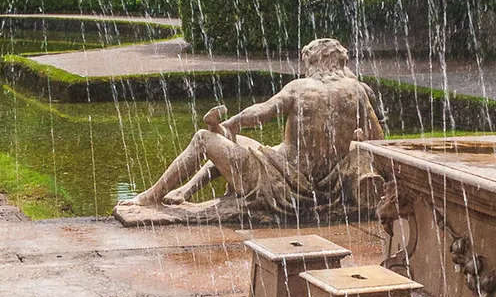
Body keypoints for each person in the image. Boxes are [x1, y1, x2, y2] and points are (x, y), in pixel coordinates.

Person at [118, 38, 384, 223]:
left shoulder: (299, 87)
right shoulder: (357, 92)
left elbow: (261, 112)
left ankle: (150, 197)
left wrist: (232, 123)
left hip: (280, 187)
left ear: (313, 62)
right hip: (322, 185)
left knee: (203, 139)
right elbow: (379, 141)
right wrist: (354, 140)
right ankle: (183, 191)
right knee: (243, 143)